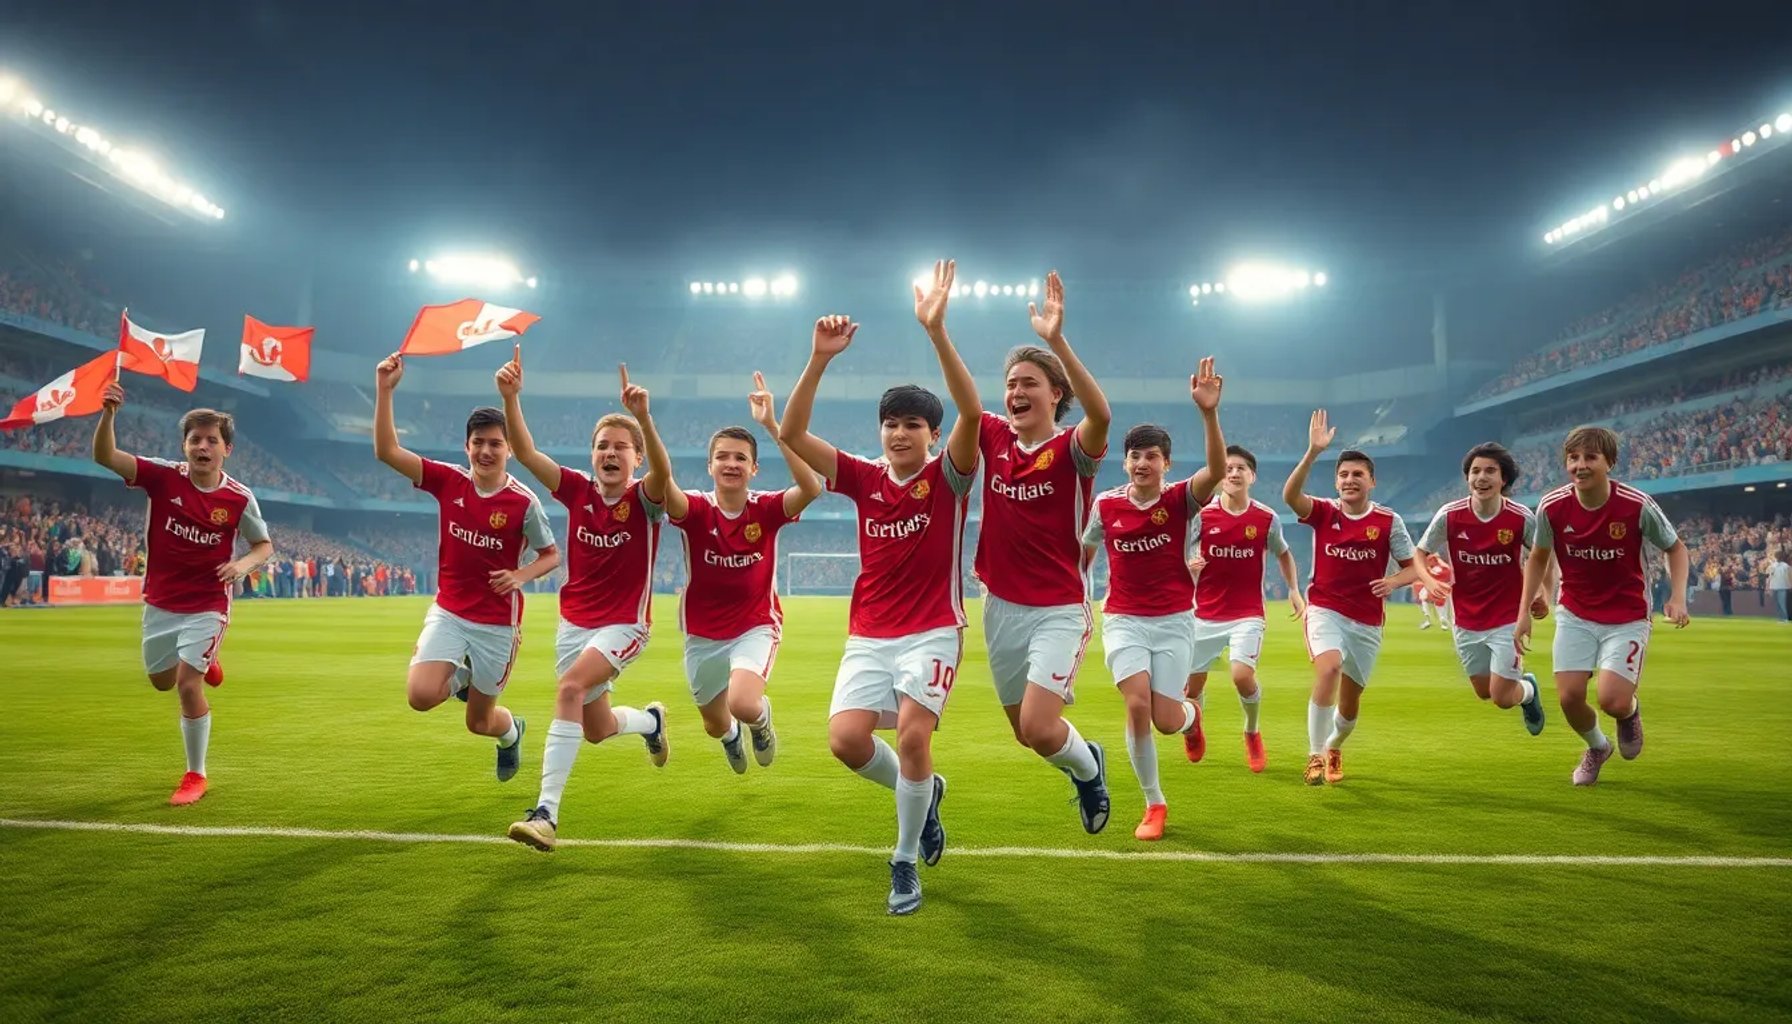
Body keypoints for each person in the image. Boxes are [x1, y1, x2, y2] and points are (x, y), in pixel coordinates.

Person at [778, 260, 978, 915]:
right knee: (845, 741)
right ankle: (928, 796)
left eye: (912, 425)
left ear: (932, 435)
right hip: (870, 631)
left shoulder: (950, 475)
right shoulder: (864, 478)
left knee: (915, 737)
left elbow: (973, 414)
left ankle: (902, 861)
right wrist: (817, 360)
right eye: (891, 423)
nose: (898, 433)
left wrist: (937, 331)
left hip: (932, 627)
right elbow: (791, 434)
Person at [496, 353, 673, 851]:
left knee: (570, 688)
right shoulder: (576, 491)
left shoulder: (645, 498)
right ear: (591, 454)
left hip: (625, 624)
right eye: (601, 446)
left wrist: (643, 417)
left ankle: (546, 814)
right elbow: (527, 453)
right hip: (574, 623)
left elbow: (663, 472)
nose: (610, 453)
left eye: (621, 447)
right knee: (596, 728)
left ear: (636, 458)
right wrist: (510, 398)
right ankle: (652, 722)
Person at [373, 351, 560, 785]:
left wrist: (520, 576)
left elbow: (551, 555)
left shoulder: (523, 503)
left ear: (509, 449)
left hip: (497, 623)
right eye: (479, 442)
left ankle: (511, 733)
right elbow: (386, 451)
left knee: (479, 722)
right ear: (467, 446)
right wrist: (385, 390)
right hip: (451, 612)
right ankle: (459, 680)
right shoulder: (448, 481)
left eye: (496, 443)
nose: (486, 450)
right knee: (419, 696)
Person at [974, 270, 1113, 834]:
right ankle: (1086, 757)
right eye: (1010, 383)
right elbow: (963, 398)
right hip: (1000, 606)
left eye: (1030, 383)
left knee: (1038, 724)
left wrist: (1056, 339)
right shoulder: (991, 436)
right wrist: (935, 329)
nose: (1016, 393)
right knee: (1023, 733)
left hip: (1058, 606)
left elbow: (1102, 416)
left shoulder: (1073, 448)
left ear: (1056, 394)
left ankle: (1088, 772)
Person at [91, 380, 273, 805]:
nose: (202, 446)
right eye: (195, 439)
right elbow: (104, 456)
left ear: (226, 449)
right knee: (160, 681)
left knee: (186, 685)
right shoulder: (161, 477)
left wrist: (242, 566)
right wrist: (109, 414)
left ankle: (195, 774)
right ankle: (206, 661)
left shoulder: (239, 498)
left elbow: (263, 545)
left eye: (212, 440)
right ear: (185, 445)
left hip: (208, 602)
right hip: (161, 600)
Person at [1081, 357, 1224, 841]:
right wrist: (1073, 591)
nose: (1142, 464)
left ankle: (1191, 716)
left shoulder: (1182, 499)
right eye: (1135, 456)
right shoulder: (1107, 505)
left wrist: (1208, 413)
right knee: (1137, 706)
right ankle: (1153, 803)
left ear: (1166, 463)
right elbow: (1085, 551)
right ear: (1125, 462)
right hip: (1123, 619)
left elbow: (1219, 470)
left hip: (1174, 621)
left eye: (1152, 457)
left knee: (1166, 719)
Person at [660, 371, 824, 773]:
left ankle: (760, 722)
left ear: (753, 469)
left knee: (743, 703)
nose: (731, 463)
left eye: (740, 458)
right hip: (702, 632)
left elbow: (811, 487)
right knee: (715, 724)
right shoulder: (695, 509)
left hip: (755, 625)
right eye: (723, 456)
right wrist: (646, 421)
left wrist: (770, 425)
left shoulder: (765, 509)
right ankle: (733, 736)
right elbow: (662, 485)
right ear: (710, 465)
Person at [1516, 426, 1690, 786]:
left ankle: (1629, 712)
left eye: (1590, 457)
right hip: (1575, 613)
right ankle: (1597, 746)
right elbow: (1538, 557)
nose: (1580, 465)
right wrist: (1528, 609)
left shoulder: (1636, 505)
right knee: (1569, 698)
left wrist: (1677, 596)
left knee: (1612, 699)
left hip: (1626, 617)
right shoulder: (1552, 506)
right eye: (1573, 458)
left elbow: (1676, 548)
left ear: (1609, 462)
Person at [1283, 410, 1446, 786]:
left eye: (1358, 474)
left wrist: (1394, 582)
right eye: (1343, 474)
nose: (1349, 480)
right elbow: (1290, 496)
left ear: (1372, 481)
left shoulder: (1389, 521)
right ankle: (1313, 756)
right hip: (1325, 609)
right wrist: (1312, 452)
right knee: (1327, 669)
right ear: (1336, 482)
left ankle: (1334, 746)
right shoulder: (1324, 512)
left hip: (1367, 621)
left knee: (1350, 706)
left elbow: (1412, 565)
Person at [1415, 442, 1552, 738]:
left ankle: (1526, 693)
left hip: (1508, 619)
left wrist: (1544, 592)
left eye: (1491, 471)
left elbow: (1543, 556)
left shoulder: (1520, 518)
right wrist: (1427, 579)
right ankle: (1524, 685)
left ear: (1504, 479)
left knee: (1503, 698)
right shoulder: (1450, 515)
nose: (1482, 477)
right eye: (1475, 471)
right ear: (1467, 478)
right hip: (1466, 618)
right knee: (1484, 692)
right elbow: (1420, 552)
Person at [1185, 442, 1305, 773]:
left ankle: (1252, 732)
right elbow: (1182, 556)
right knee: (1191, 689)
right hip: (1204, 614)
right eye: (1228, 467)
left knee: (1241, 675)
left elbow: (1283, 553)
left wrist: (1294, 589)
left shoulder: (1265, 518)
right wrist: (1190, 566)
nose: (1234, 472)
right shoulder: (1202, 516)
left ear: (1252, 476)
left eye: (1241, 468)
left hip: (1247, 613)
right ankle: (1194, 728)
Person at [1415, 554, 1452, 630]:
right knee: (1426, 598)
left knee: (1426, 599)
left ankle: (1431, 619)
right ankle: (1441, 621)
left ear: (1434, 560)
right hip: (1443, 588)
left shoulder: (1437, 568)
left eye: (1430, 560)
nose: (1428, 562)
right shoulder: (1443, 566)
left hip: (1436, 587)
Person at [1769, 551, 1790, 622]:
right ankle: (1781, 618)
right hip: (1775, 586)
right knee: (1777, 603)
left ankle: (1785, 618)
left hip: (1782, 586)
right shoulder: (1773, 565)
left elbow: (1789, 576)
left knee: (1782, 603)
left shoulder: (1786, 566)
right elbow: (1770, 575)